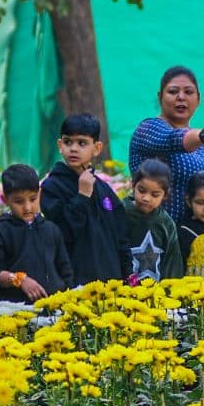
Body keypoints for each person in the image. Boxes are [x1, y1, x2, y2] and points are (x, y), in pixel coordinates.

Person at [129, 66, 204, 222]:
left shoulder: (202, 144)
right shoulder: (148, 129)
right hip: (156, 236)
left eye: (188, 92)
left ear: (198, 99)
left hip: (195, 240)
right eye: (173, 92)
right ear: (160, 97)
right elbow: (171, 139)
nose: (181, 97)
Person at [42, 113, 132, 285]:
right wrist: (82, 196)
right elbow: (63, 231)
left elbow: (121, 237)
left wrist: (128, 275)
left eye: (82, 143)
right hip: (75, 283)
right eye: (68, 142)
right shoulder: (51, 187)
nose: (74, 148)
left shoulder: (104, 189)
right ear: (60, 145)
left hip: (111, 283)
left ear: (97, 148)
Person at [0, 164, 73, 303]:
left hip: (56, 308)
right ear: (5, 200)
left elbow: (65, 270)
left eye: (32, 199)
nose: (27, 207)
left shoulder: (51, 229)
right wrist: (20, 280)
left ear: (40, 193)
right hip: (17, 310)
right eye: (19, 201)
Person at [123, 158, 183, 282]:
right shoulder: (120, 212)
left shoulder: (166, 223)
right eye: (141, 190)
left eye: (155, 195)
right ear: (133, 184)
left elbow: (172, 263)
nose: (146, 198)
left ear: (165, 195)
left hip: (156, 295)